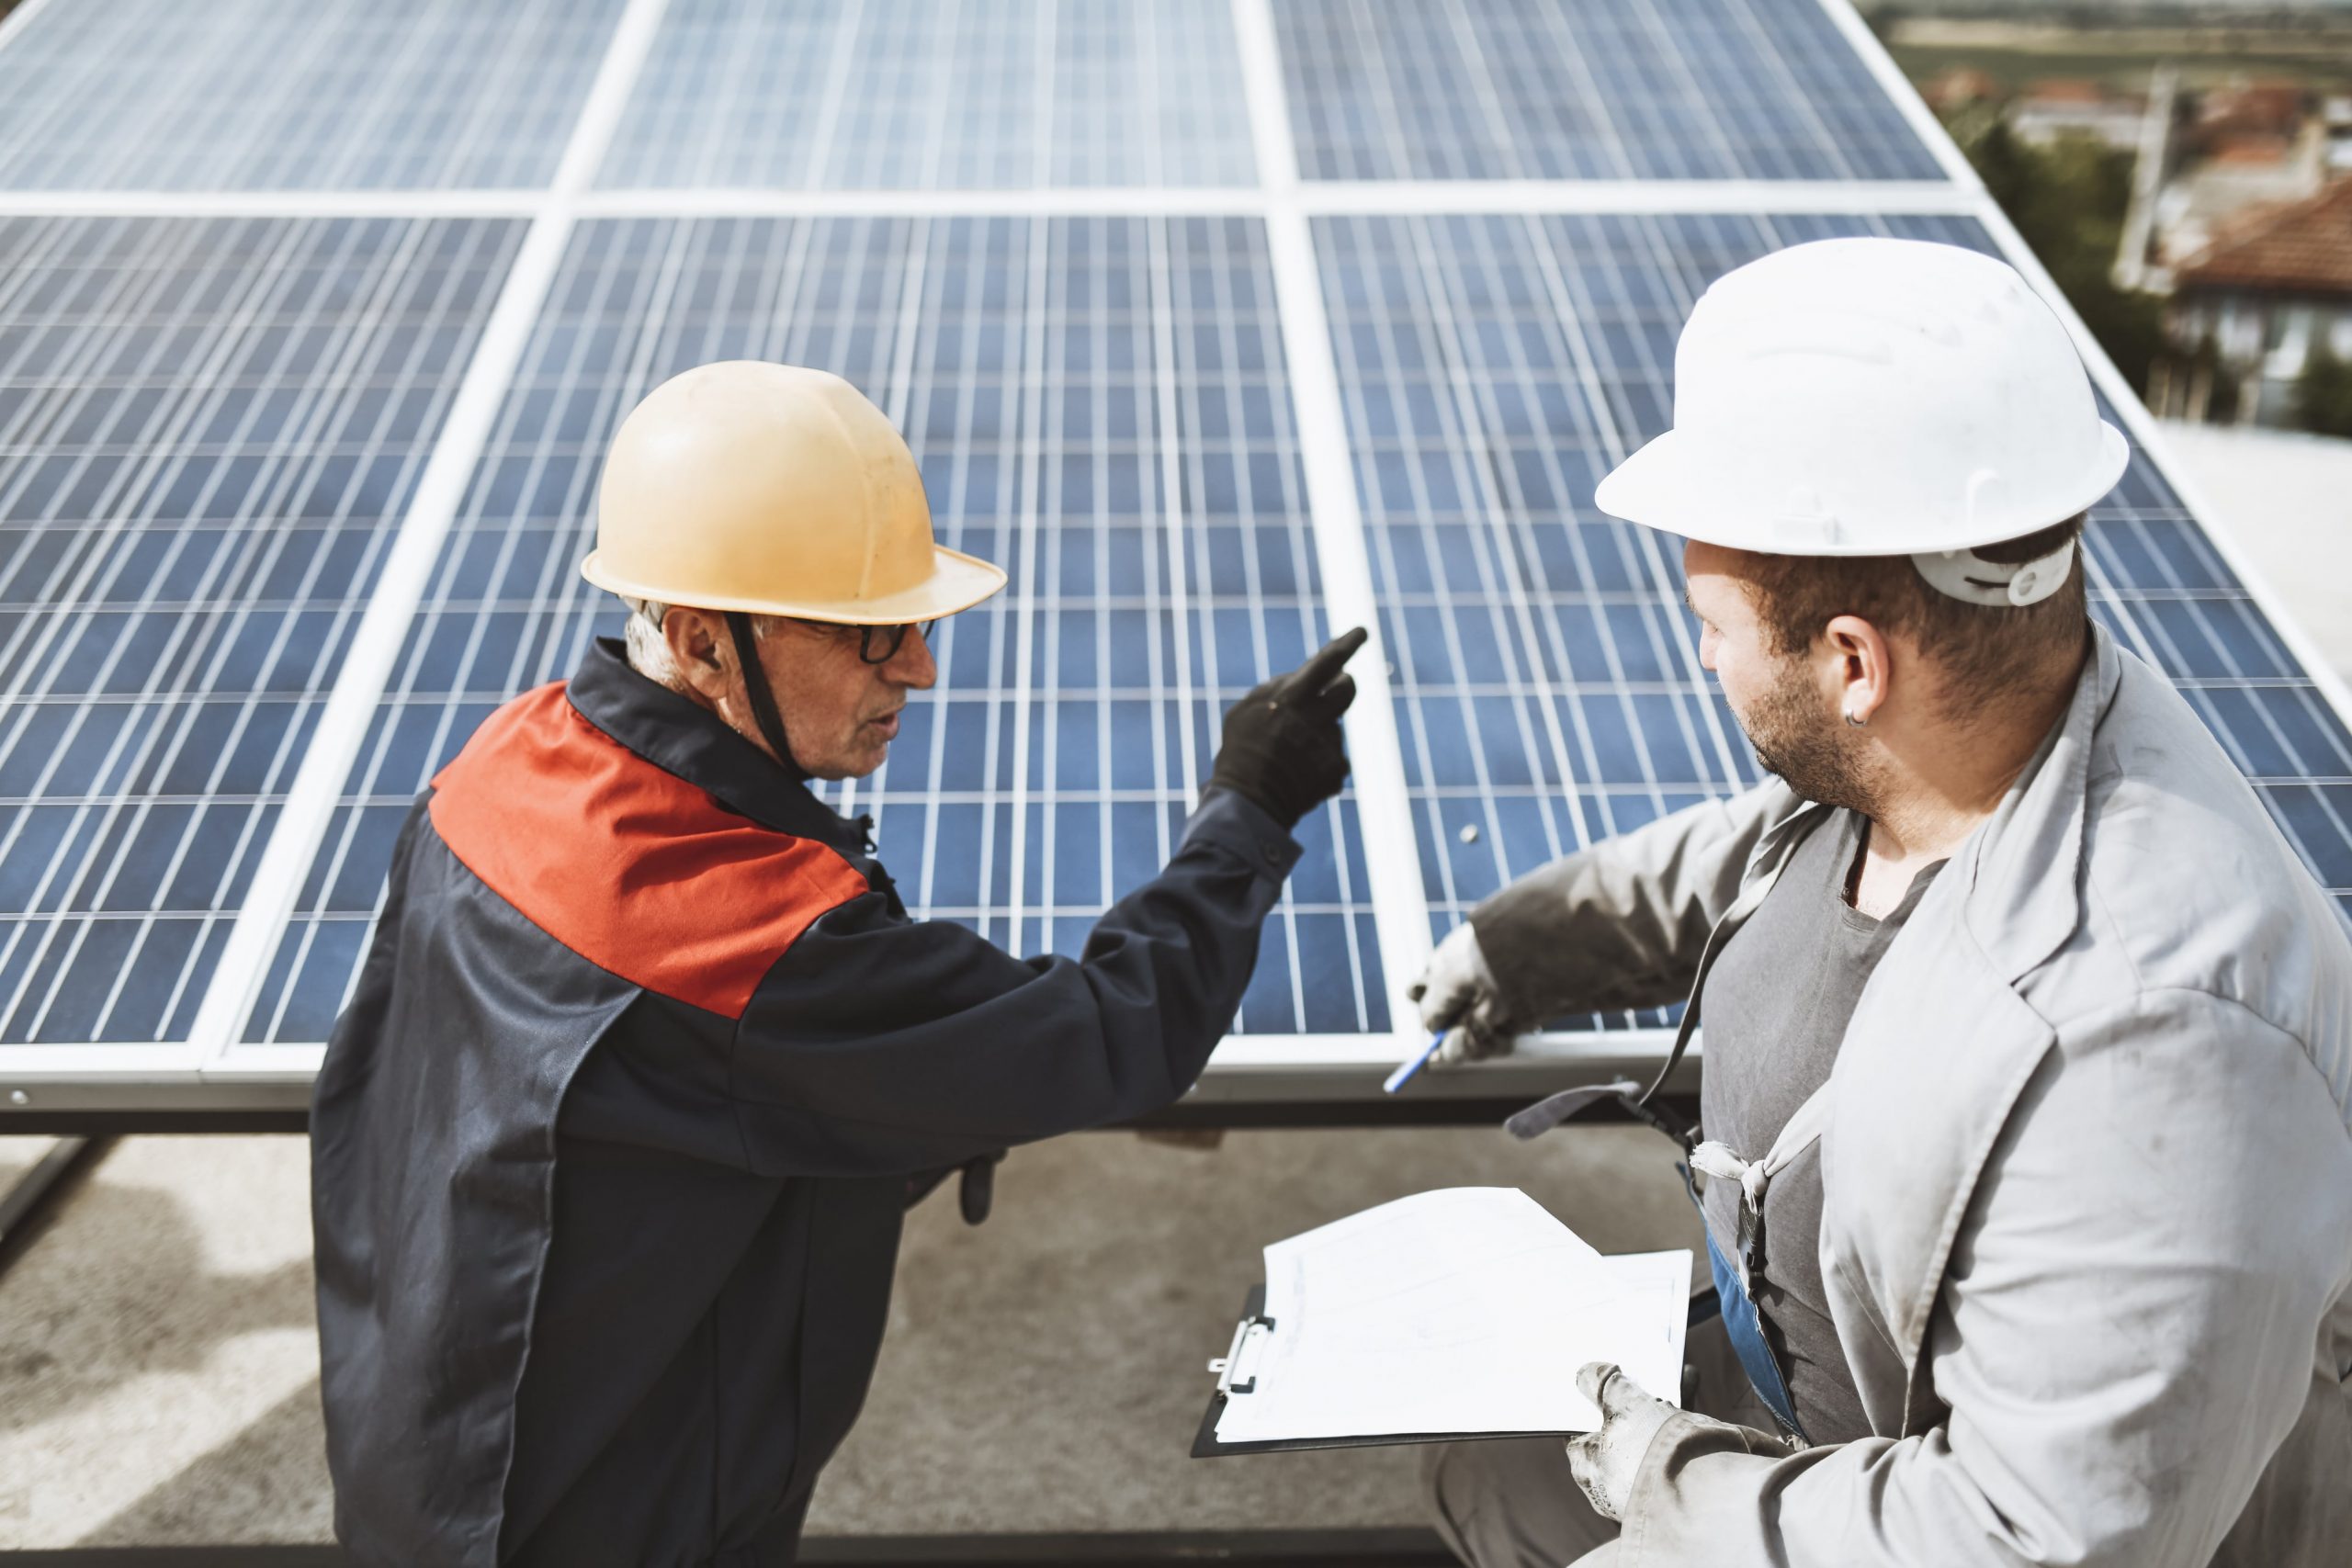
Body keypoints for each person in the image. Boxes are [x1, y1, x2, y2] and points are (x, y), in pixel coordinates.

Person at [310, 360, 1367, 1567]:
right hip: (598, 1520)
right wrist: (1247, 811)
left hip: (433, 1445)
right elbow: (1112, 1035)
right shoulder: (742, 944)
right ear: (705, 642)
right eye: (873, 633)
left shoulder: (505, 763)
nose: (918, 666)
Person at [1411, 239, 2352, 1568]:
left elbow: (2030, 1540)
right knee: (1484, 1473)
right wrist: (1524, 943)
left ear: (1854, 663)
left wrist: (1671, 1493)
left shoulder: (2152, 1039)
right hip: (1798, 1419)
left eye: (1717, 629)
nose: (1700, 656)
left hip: (1895, 1511)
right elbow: (1763, 844)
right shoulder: (1958, 740)